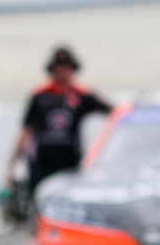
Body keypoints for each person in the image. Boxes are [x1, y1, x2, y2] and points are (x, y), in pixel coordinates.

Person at [10, 46, 112, 199]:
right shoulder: (40, 95)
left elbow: (110, 110)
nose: (63, 72)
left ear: (73, 70)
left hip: (69, 162)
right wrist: (13, 164)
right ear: (52, 70)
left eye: (67, 67)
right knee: (37, 201)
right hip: (42, 162)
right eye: (59, 67)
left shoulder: (81, 95)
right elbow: (26, 130)